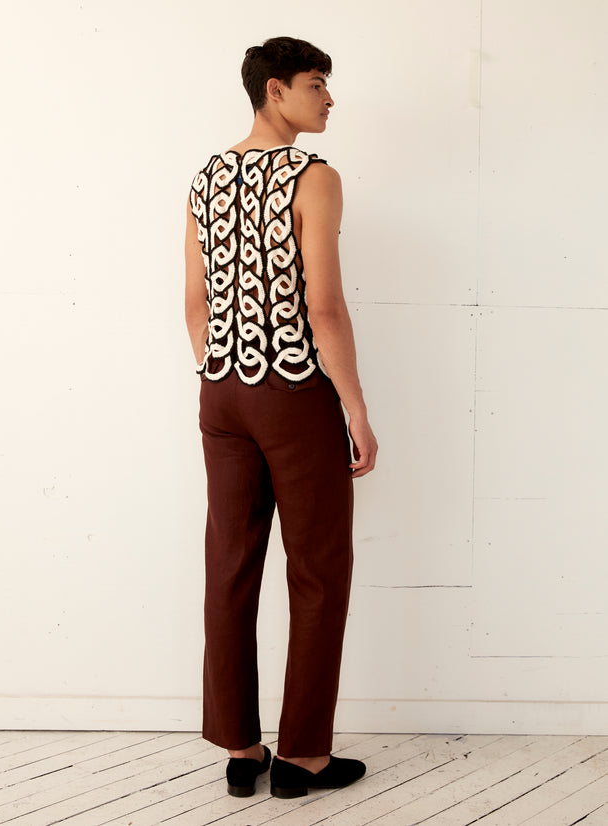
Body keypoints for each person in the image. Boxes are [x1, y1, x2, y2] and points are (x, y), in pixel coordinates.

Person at [184, 36, 378, 799]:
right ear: (274, 91)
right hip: (293, 393)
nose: (328, 98)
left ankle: (240, 749)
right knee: (320, 570)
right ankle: (303, 758)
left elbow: (195, 303)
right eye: (315, 83)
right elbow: (323, 309)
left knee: (230, 565)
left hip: (221, 391)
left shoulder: (207, 174)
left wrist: (220, 368)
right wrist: (356, 411)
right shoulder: (314, 178)